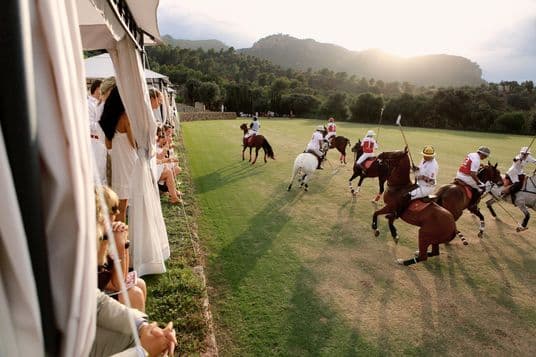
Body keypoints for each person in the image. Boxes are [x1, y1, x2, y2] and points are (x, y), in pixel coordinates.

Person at [99, 86, 138, 222]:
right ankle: (121, 236)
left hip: (116, 161)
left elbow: (108, 145)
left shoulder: (108, 120)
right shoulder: (125, 117)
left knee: (118, 202)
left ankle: (117, 232)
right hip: (128, 161)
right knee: (123, 203)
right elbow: (134, 143)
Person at [397, 146, 439, 217]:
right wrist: (415, 168)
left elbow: (431, 181)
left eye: (427, 156)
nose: (425, 157)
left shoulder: (433, 165)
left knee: (408, 195)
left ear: (432, 156)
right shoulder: (424, 159)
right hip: (419, 183)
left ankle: (399, 213)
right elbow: (420, 169)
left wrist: (420, 177)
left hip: (426, 187)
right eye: (424, 155)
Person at [88, 79, 108, 184]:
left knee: (102, 171)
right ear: (97, 89)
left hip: (101, 141)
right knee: (96, 172)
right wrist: (103, 124)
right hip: (94, 142)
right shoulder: (89, 104)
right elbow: (89, 124)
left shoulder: (100, 103)